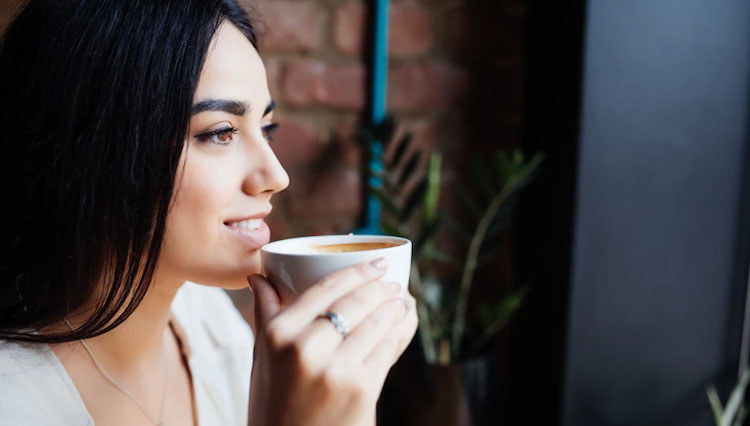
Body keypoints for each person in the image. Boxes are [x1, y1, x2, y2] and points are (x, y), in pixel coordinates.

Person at [0, 1, 418, 425]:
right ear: (90, 150)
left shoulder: (210, 324)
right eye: (220, 133)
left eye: (267, 129)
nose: (276, 175)